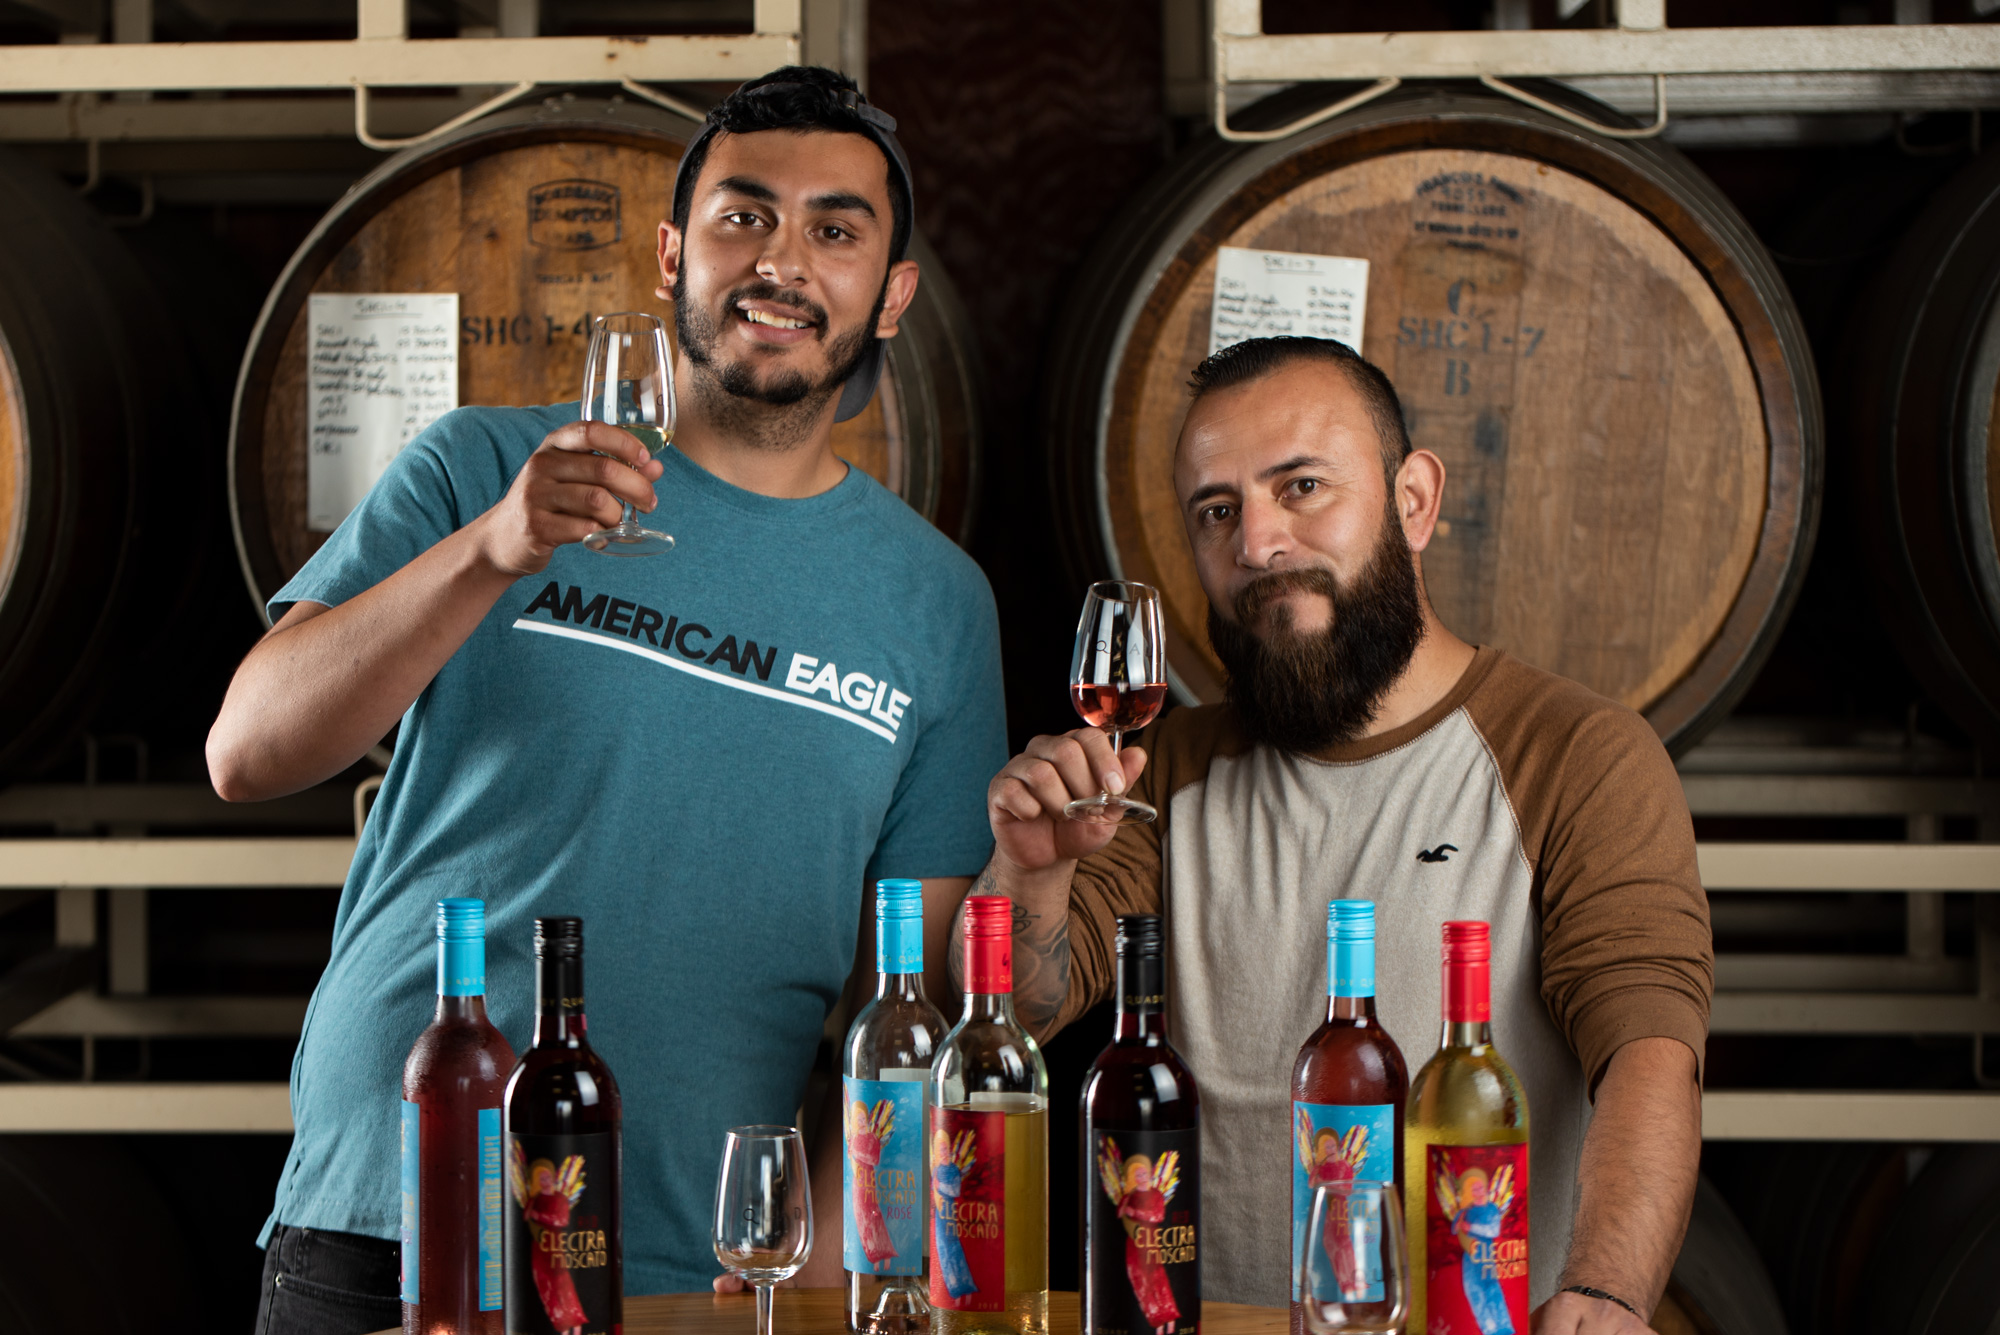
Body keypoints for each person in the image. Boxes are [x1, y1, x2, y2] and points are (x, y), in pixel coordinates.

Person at [209, 67, 1005, 1334]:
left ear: (892, 294)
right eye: (744, 216)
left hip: (686, 1251)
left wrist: (820, 1255)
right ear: (671, 253)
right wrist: (495, 550)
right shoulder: (481, 466)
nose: (781, 260)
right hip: (401, 1208)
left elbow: (902, 998)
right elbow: (248, 751)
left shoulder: (938, 604)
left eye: (834, 230)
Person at [963, 336, 1712, 1333]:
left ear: (1413, 501)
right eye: (1216, 510)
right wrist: (1029, 870)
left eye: (1302, 487)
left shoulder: (1574, 756)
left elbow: (1648, 1056)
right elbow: (1024, 1012)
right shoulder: (1165, 767)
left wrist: (1608, 1291)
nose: (1257, 543)